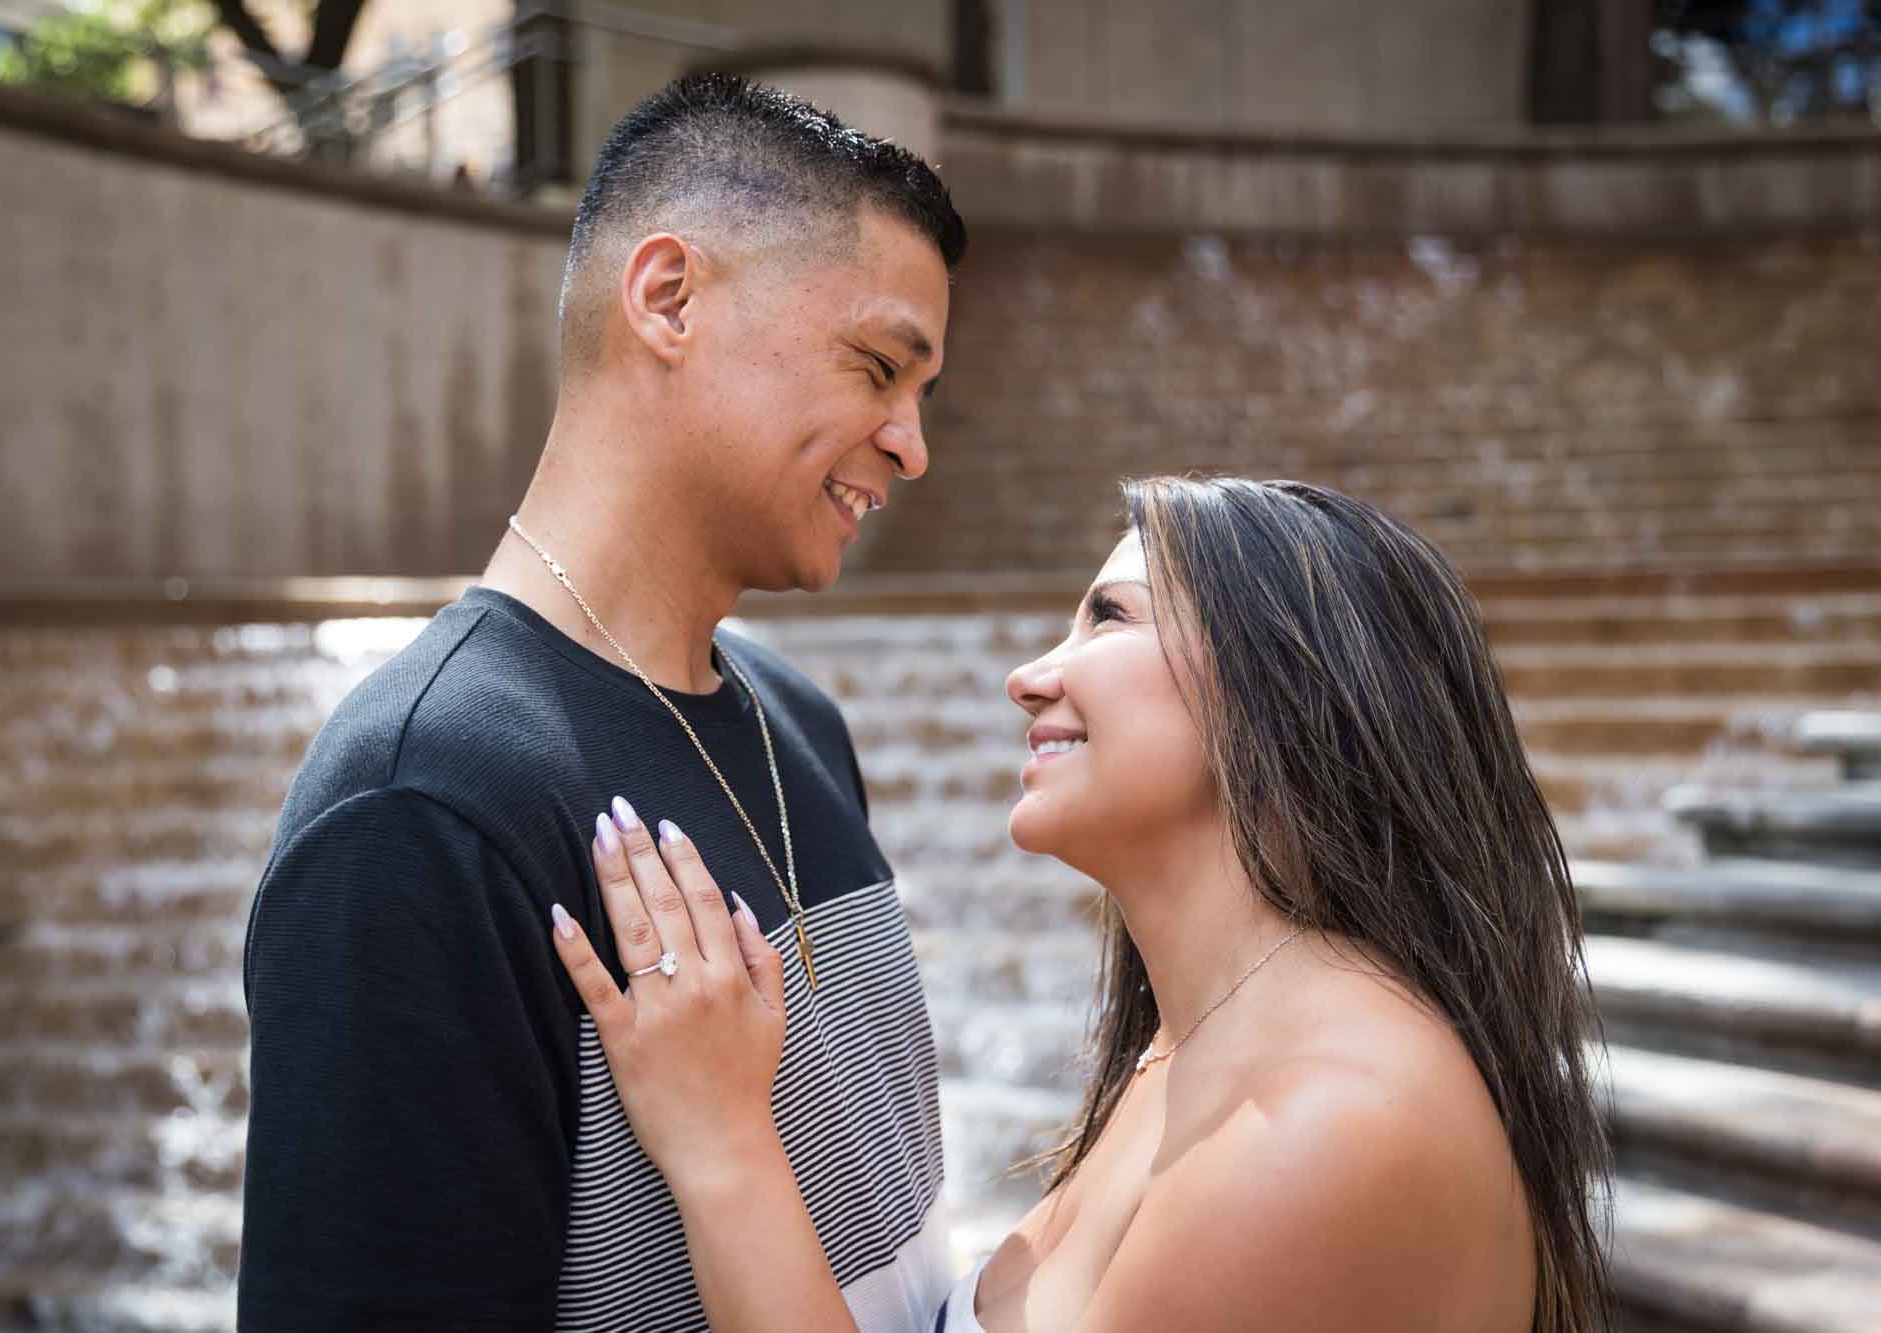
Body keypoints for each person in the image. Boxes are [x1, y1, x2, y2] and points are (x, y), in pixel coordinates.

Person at [237, 75, 965, 1330]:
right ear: (667, 298)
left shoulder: (799, 722)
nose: (910, 444)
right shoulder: (420, 805)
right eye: (875, 367)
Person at [550, 476, 1615, 1332]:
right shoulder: (1196, 1048)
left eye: (1106, 618)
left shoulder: (1320, 1131)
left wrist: (722, 1143)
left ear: (1279, 694)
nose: (1027, 675)